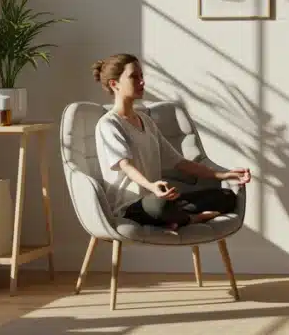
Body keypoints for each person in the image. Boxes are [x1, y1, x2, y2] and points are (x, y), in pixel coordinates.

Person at [91, 53, 251, 232]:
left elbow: (180, 163)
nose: (142, 82)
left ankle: (177, 218)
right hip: (132, 207)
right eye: (134, 77)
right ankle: (190, 218)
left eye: (142, 76)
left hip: (161, 199)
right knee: (159, 206)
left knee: (227, 196)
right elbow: (126, 166)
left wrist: (224, 175)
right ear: (115, 84)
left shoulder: (146, 121)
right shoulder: (109, 124)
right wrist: (151, 186)